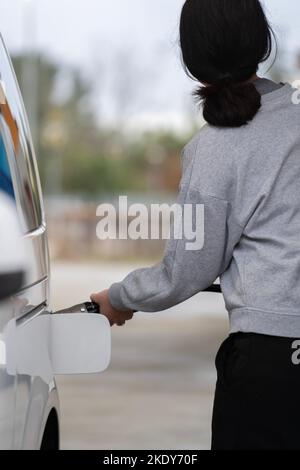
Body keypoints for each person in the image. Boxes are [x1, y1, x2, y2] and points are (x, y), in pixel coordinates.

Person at [91, 0, 300, 450]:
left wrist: (117, 298)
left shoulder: (214, 149)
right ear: (262, 41)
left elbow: (186, 271)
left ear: (192, 59)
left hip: (273, 359)